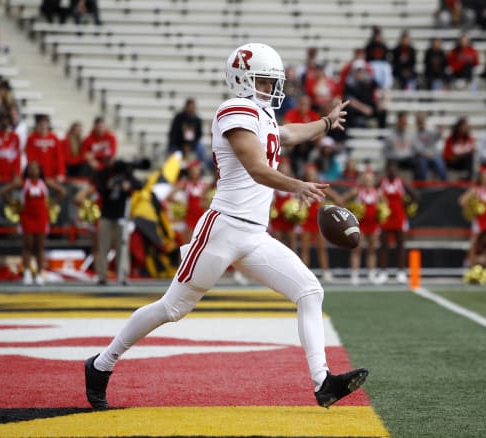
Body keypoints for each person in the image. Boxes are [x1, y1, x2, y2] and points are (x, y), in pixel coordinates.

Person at [84, 43, 368, 410]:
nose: (271, 88)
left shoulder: (261, 115)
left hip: (253, 235)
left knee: (310, 291)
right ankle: (101, 364)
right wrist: (296, 184)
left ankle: (323, 382)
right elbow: (255, 167)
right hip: (223, 228)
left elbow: (291, 134)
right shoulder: (233, 110)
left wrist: (327, 122)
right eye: (265, 81)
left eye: (272, 82)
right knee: (173, 308)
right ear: (243, 79)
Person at [75, 157, 142, 285]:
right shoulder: (103, 174)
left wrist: (128, 186)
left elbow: (139, 185)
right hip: (106, 215)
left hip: (122, 216)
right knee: (103, 247)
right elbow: (99, 189)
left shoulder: (125, 174)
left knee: (122, 247)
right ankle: (102, 276)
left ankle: (122, 275)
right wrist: (108, 186)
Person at [0, 161, 66, 285]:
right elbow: (3, 192)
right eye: (31, 168)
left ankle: (40, 273)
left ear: (40, 170)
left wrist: (51, 204)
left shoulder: (45, 183)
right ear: (27, 171)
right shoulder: (23, 183)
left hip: (41, 217)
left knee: (40, 247)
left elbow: (62, 192)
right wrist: (13, 205)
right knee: (28, 246)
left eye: (36, 168)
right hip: (27, 216)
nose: (33, 170)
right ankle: (27, 272)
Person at [335, 169, 382, 285]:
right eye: (366, 180)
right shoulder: (356, 191)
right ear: (362, 180)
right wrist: (349, 212)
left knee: (372, 250)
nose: (368, 182)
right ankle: (355, 275)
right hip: (359, 225)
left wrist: (381, 212)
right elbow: (341, 200)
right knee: (357, 250)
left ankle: (371, 274)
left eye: (370, 180)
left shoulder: (378, 193)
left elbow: (384, 205)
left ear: (373, 181)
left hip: (373, 225)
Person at [375, 160, 418, 285]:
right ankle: (383, 272)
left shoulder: (401, 182)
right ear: (387, 170)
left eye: (394, 169)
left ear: (397, 171)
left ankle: (401, 272)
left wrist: (406, 205)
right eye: (390, 169)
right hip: (385, 218)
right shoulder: (382, 182)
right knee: (383, 246)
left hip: (399, 218)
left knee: (400, 245)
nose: (392, 171)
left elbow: (415, 195)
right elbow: (372, 192)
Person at [299, 163, 334, 283]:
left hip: (319, 222)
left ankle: (326, 272)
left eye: (313, 174)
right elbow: (297, 202)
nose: (312, 176)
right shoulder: (302, 187)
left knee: (322, 248)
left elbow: (337, 198)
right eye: (309, 174)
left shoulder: (321, 187)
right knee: (305, 248)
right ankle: (304, 274)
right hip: (306, 221)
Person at [167, 160, 210, 244]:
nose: (195, 172)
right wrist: (180, 203)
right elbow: (169, 196)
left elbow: (206, 199)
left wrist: (205, 204)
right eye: (193, 170)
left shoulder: (204, 184)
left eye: (197, 170)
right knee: (187, 244)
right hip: (190, 217)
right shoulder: (185, 184)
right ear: (189, 172)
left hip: (201, 217)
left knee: (202, 244)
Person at [343, 59, 387, 129]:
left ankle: (381, 134)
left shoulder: (370, 82)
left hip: (370, 107)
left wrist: (381, 102)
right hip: (357, 109)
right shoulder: (349, 84)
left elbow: (381, 91)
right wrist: (363, 108)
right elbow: (349, 99)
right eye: (357, 71)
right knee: (348, 110)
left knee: (382, 111)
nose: (359, 73)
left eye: (361, 71)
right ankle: (350, 131)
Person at [269, 157, 299, 253]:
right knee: (275, 244)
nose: (284, 174)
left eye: (286, 171)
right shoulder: (273, 185)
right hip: (276, 218)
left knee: (292, 245)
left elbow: (297, 202)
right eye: (282, 171)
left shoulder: (293, 185)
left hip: (289, 219)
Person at [25, 114, 65, 182]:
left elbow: (59, 157)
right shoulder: (31, 138)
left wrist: (61, 173)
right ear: (37, 125)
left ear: (48, 125)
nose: (43, 126)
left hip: (52, 175)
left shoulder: (54, 138)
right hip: (37, 175)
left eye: (45, 124)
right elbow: (30, 157)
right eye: (41, 124)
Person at [412, 112, 447, 181]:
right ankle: (424, 186)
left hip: (433, 154)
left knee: (441, 165)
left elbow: (438, 135)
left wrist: (440, 129)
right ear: (417, 122)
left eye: (422, 120)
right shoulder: (414, 134)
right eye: (419, 121)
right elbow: (417, 149)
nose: (421, 122)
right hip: (422, 156)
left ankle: (445, 183)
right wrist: (426, 155)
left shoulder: (429, 131)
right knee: (422, 164)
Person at [168, 98, 204, 163]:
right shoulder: (179, 118)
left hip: (192, 144)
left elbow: (199, 134)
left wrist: (190, 145)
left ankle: (199, 166)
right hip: (178, 144)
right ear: (186, 107)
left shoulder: (197, 120)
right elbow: (174, 133)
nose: (191, 109)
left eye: (193, 107)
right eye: (190, 107)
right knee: (173, 149)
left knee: (200, 148)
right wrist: (183, 145)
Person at [383, 111, 416, 178]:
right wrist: (393, 155)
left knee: (419, 162)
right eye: (402, 122)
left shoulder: (410, 134)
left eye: (405, 122)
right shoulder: (391, 135)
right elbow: (385, 151)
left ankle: (418, 185)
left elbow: (415, 148)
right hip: (395, 159)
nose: (403, 124)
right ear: (398, 121)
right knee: (391, 165)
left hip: (407, 158)